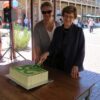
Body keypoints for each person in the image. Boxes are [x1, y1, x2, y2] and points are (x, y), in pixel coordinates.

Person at [39, 6, 85, 79]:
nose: (68, 19)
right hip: (56, 66)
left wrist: (76, 65)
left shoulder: (78, 31)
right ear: (63, 16)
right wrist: (47, 53)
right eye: (66, 16)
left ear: (74, 18)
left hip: (71, 67)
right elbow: (53, 46)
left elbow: (81, 51)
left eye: (71, 17)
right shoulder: (58, 30)